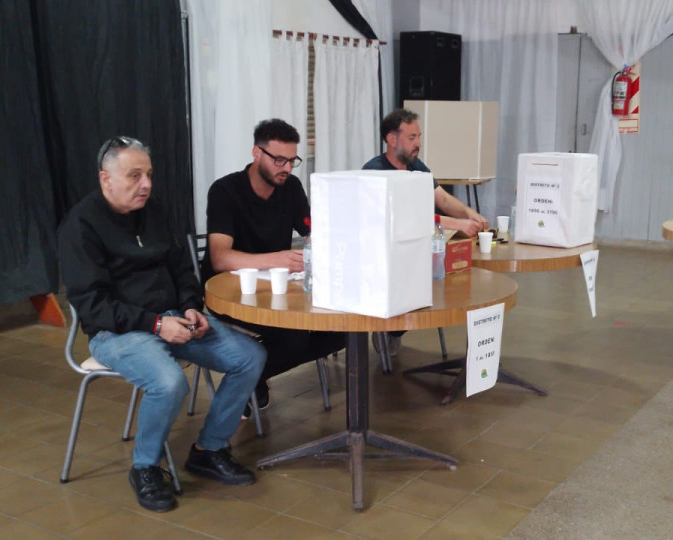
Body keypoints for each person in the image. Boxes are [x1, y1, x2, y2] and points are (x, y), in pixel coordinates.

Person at [59, 136, 266, 513]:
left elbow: (182, 269)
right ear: (106, 179)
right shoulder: (80, 226)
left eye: (149, 175)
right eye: (134, 176)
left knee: (250, 356)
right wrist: (156, 324)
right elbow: (93, 306)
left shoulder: (155, 212)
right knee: (169, 383)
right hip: (116, 332)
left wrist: (190, 307)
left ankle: (209, 449)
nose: (146, 184)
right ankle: (145, 468)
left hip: (171, 318)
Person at [204, 119, 346, 414]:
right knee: (293, 339)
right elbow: (220, 258)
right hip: (233, 293)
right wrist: (278, 259)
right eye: (279, 160)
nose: (287, 168)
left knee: (342, 330)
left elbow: (312, 232)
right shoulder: (225, 191)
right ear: (257, 153)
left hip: (279, 290)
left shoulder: (290, 187)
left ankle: (251, 376)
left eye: (292, 161)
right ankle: (247, 378)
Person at [362, 109, 490, 356]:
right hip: (386, 253)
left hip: (418, 246)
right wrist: (457, 224)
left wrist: (468, 213)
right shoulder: (375, 171)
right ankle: (390, 330)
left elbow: (441, 198)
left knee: (454, 276)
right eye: (411, 138)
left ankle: (397, 328)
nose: (418, 144)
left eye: (418, 137)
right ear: (391, 139)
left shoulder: (415, 166)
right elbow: (405, 217)